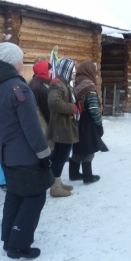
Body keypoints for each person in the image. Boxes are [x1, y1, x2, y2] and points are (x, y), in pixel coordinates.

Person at [0, 42, 54, 259]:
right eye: (20, 59)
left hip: (7, 154)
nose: (21, 63)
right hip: (26, 155)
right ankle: (19, 244)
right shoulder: (18, 88)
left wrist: (0, 143)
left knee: (16, 194)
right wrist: (45, 155)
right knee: (35, 196)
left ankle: (9, 238)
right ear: (12, 62)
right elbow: (32, 128)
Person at [47, 57, 80, 197]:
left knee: (61, 155)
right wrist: (72, 108)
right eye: (72, 69)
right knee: (61, 156)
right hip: (61, 126)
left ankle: (57, 182)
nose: (74, 72)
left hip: (65, 125)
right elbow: (53, 102)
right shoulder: (57, 84)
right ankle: (55, 187)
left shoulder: (65, 84)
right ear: (66, 69)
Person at [70, 60, 106, 184]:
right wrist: (99, 123)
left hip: (77, 119)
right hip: (87, 121)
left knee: (79, 147)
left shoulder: (77, 82)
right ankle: (88, 176)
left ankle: (73, 173)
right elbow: (93, 108)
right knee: (89, 149)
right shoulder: (88, 86)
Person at [28, 60, 54, 149]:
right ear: (44, 71)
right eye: (49, 69)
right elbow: (47, 111)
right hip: (43, 124)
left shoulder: (35, 83)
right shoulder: (40, 88)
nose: (51, 71)